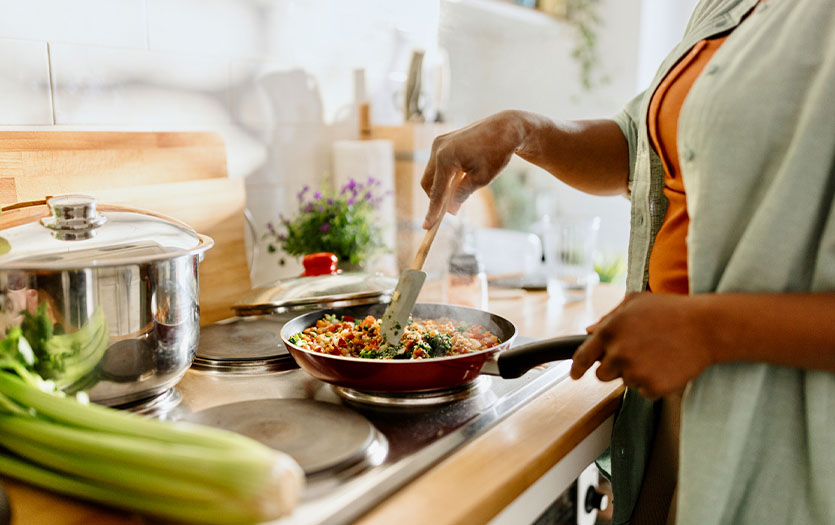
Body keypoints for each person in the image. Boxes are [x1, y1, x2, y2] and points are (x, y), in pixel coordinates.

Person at [419, 1, 835, 524]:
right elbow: (642, 148)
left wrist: (708, 331)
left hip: (786, 428)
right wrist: (522, 130)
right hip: (677, 397)